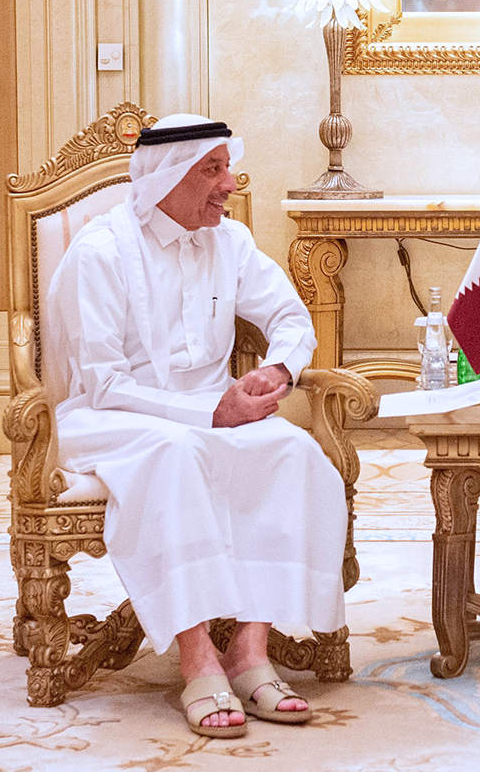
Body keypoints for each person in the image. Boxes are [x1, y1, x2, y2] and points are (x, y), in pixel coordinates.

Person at [45, 114, 347, 738]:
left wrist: (278, 370)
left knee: (295, 453)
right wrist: (211, 414)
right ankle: (197, 655)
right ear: (168, 176)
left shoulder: (229, 242)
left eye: (227, 167)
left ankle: (249, 650)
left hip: (211, 411)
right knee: (178, 452)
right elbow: (103, 383)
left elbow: (292, 318)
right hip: (112, 418)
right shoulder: (101, 251)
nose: (228, 184)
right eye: (212, 170)